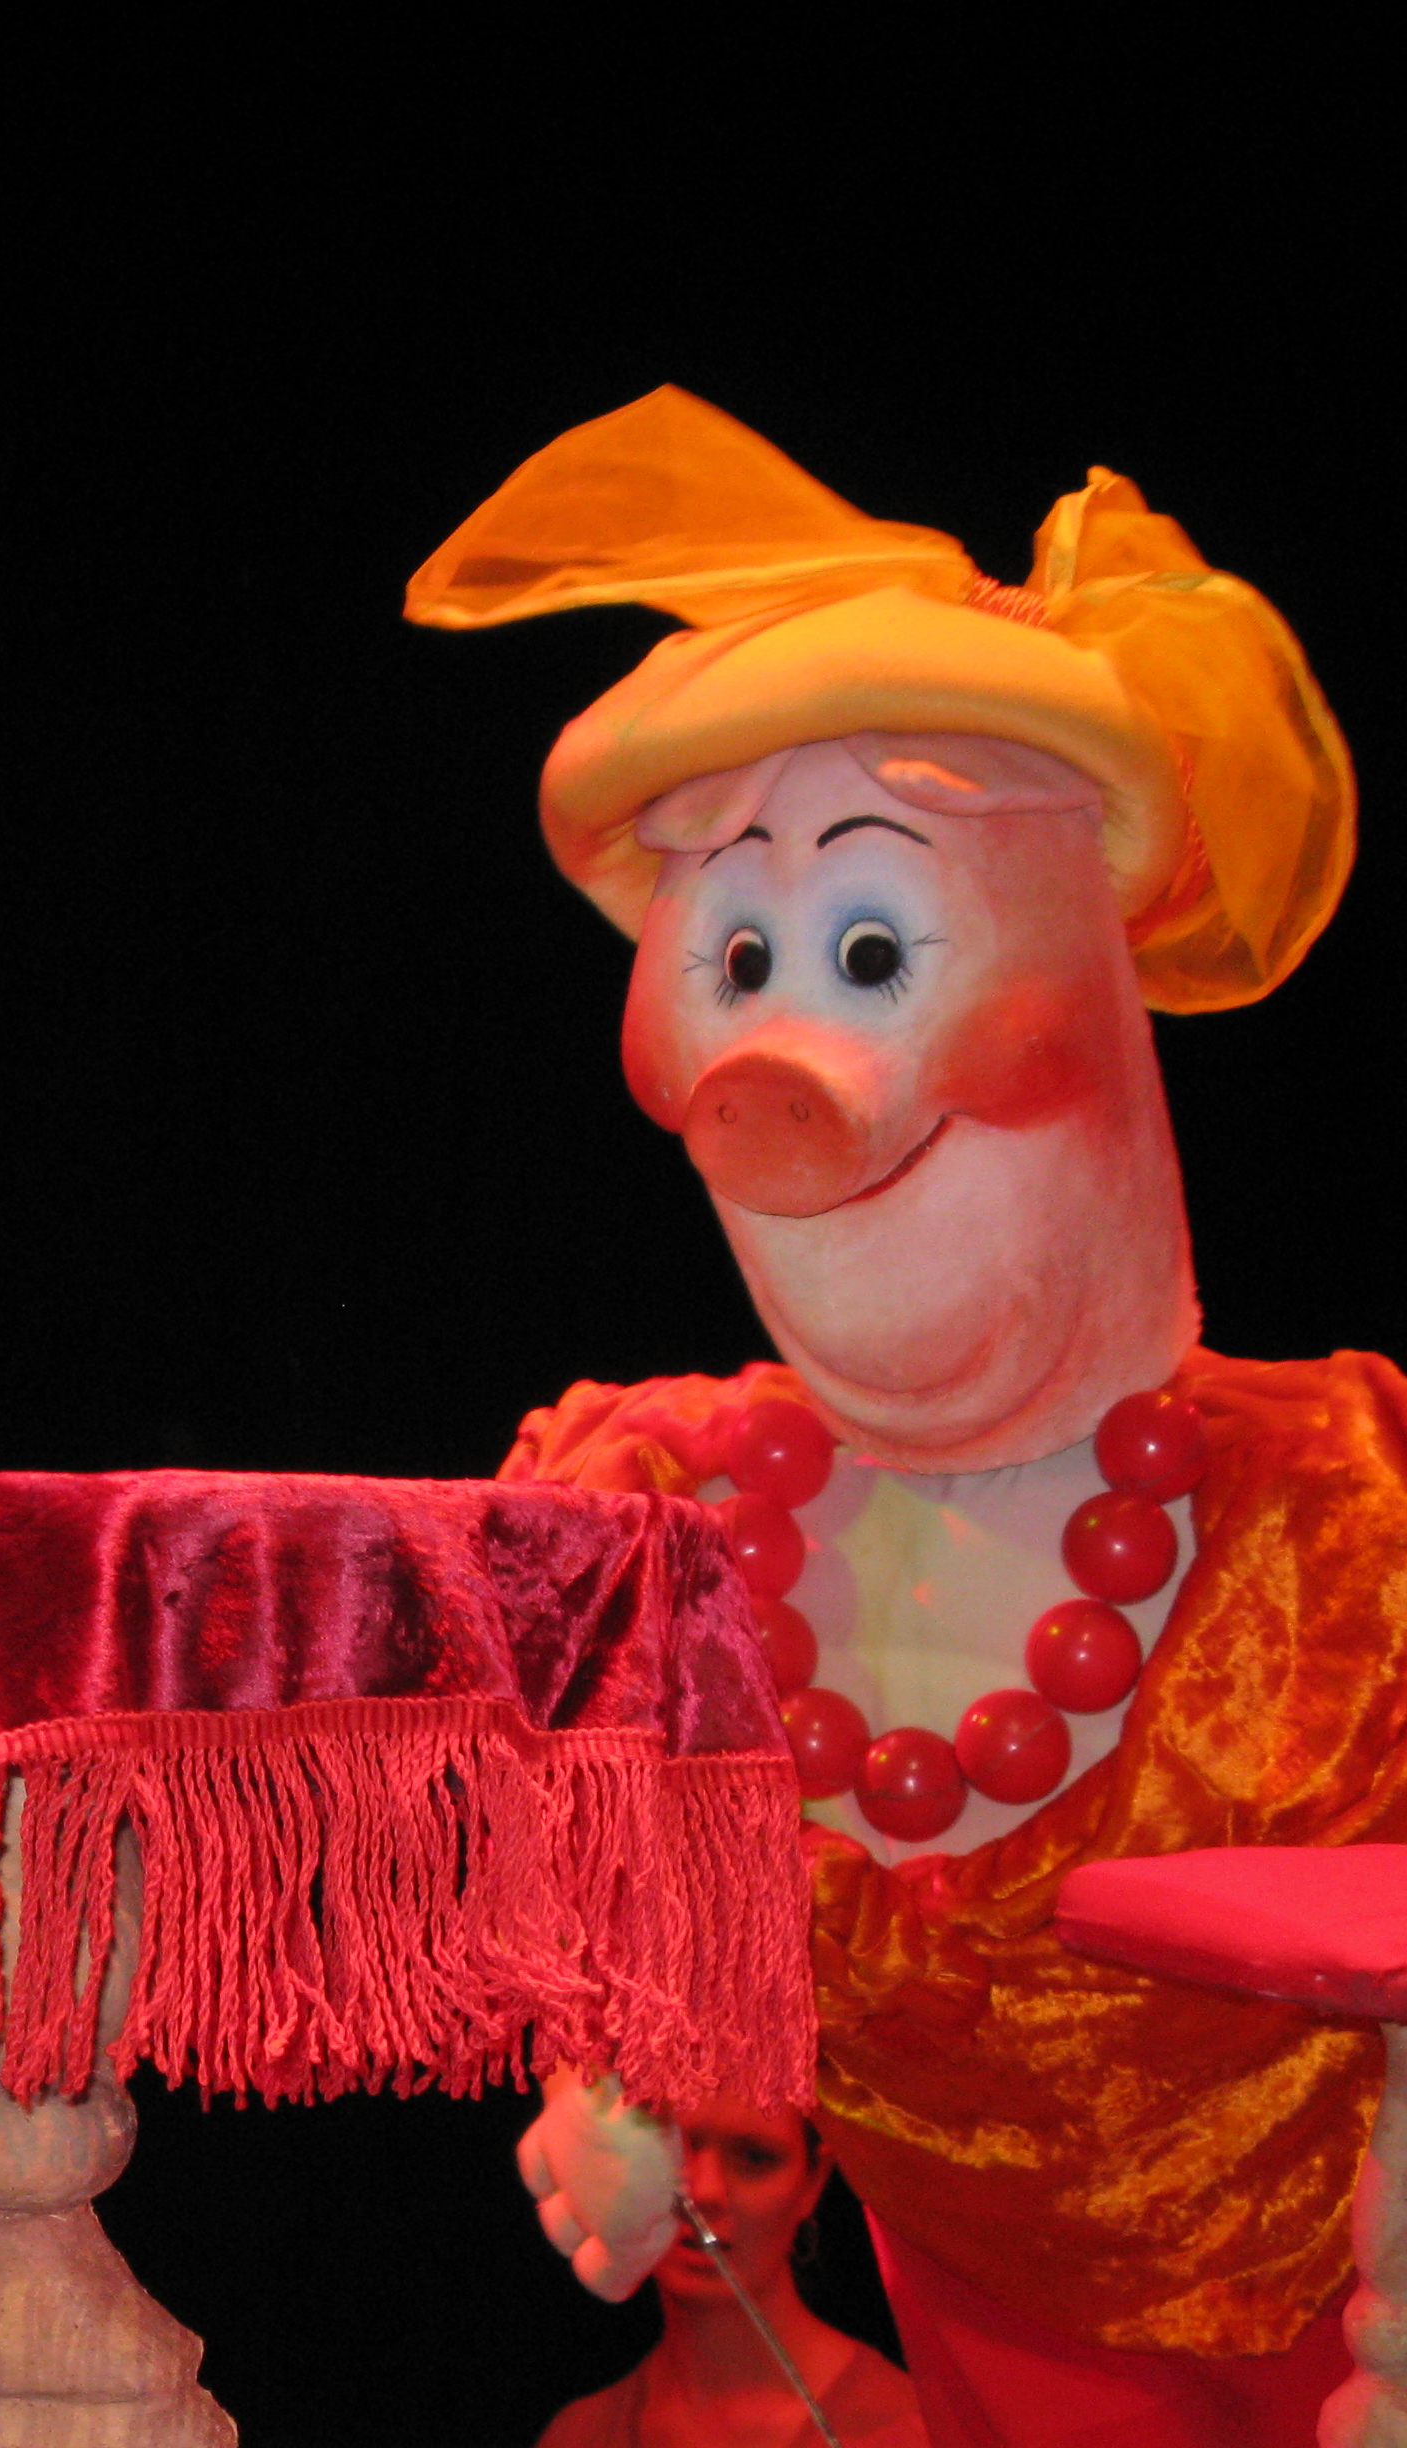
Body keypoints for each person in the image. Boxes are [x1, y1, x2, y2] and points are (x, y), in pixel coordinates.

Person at [409, 390, 1401, 2446]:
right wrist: (609, 2077)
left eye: (870, 948)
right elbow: (606, 1880)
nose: (781, 1062)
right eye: (740, 957)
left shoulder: (1340, 1512)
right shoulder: (671, 1513)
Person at [535, 2102, 924, 2448]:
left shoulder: (911, 2429)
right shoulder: (579, 2434)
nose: (705, 2192)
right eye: (673, 2147)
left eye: (755, 2157)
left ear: (813, 2181)